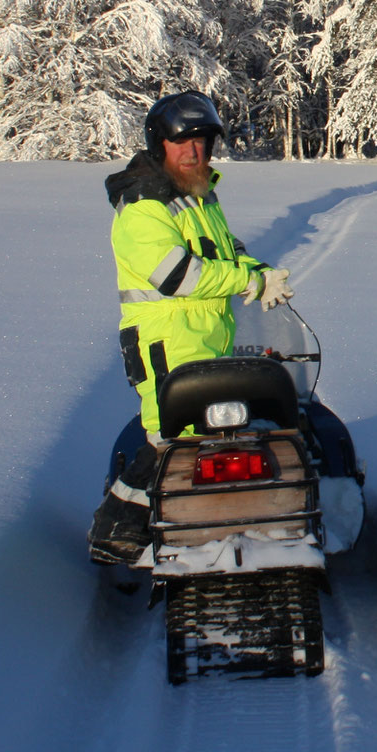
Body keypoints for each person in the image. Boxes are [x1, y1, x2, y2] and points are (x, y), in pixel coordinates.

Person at [88, 91, 293, 563]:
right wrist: (247, 280)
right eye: (183, 142)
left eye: (203, 141)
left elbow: (226, 252)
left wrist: (260, 271)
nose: (195, 151)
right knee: (170, 443)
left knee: (217, 439)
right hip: (166, 349)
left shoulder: (199, 198)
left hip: (206, 343)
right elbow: (178, 275)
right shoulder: (143, 207)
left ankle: (232, 522)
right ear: (160, 144)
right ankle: (117, 532)